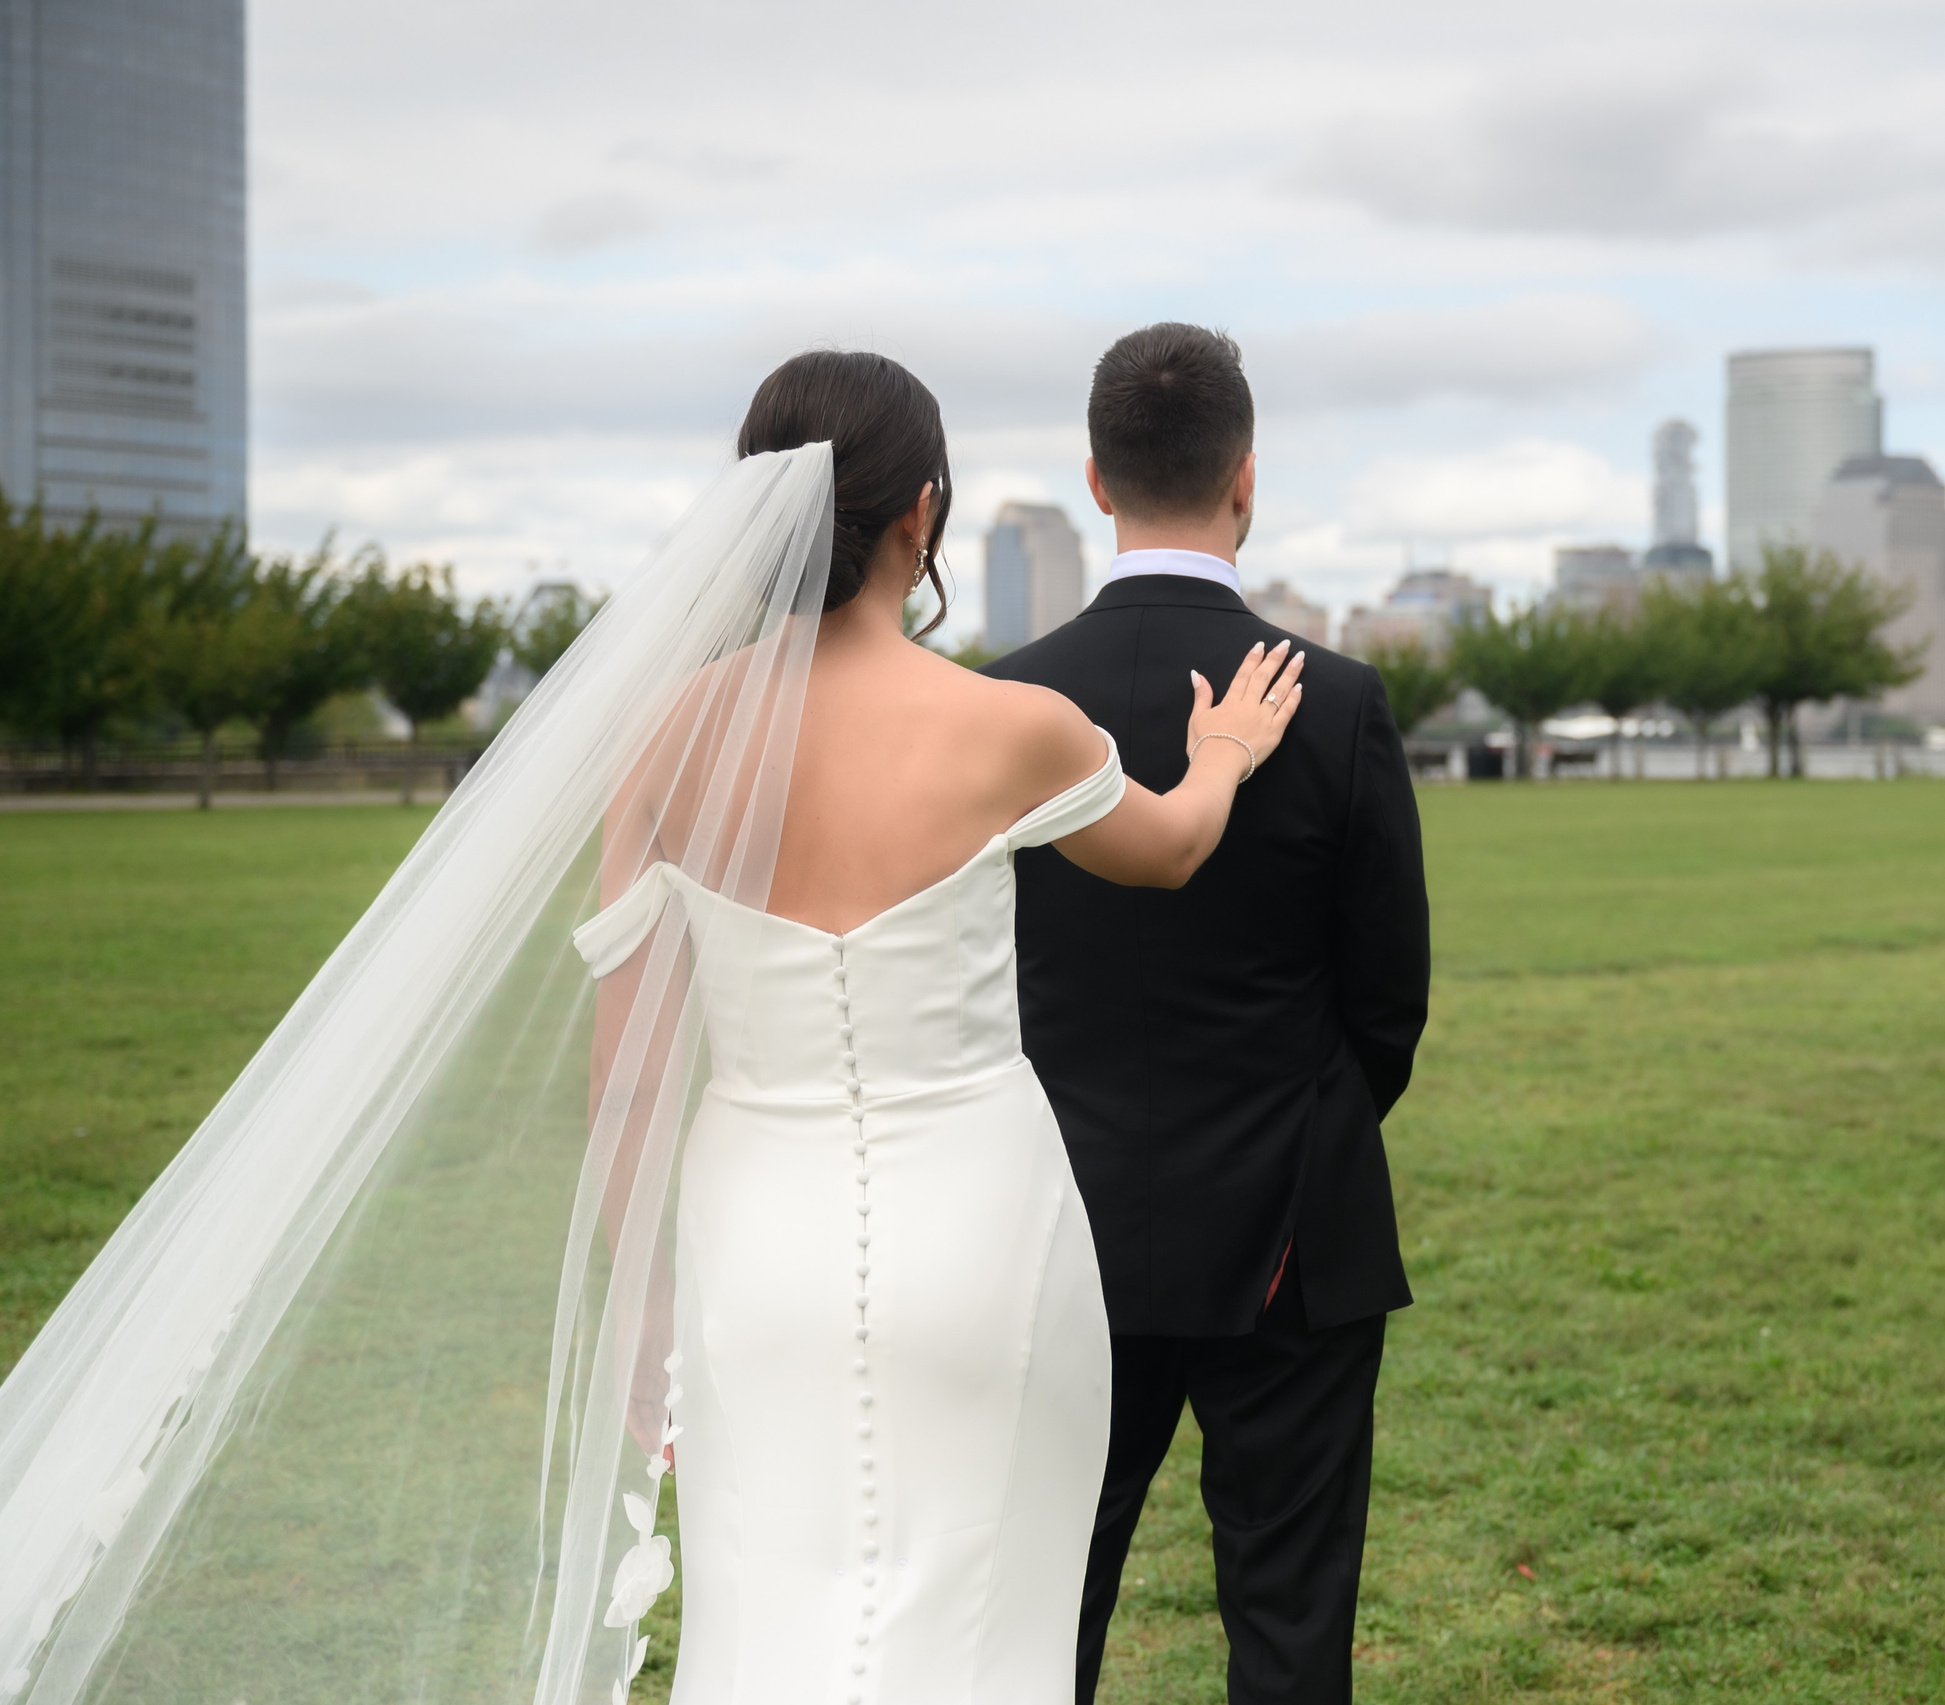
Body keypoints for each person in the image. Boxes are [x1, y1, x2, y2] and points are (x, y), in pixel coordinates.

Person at [0, 351, 1302, 1705]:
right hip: (986, 1236)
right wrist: (1222, 753)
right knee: (984, 1619)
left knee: (765, 1614)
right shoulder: (1013, 726)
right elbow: (1171, 850)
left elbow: (625, 1082)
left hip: (756, 1242)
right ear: (922, 513)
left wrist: (645, 1315)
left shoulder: (669, 739)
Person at [984, 324, 1431, 1705]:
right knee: (1290, 1618)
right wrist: (1306, 1121)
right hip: (1293, 1221)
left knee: (1037, 1612)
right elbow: (1389, 998)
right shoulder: (1336, 701)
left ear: (1096, 480)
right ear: (1246, 476)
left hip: (1055, 1219)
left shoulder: (995, 702)